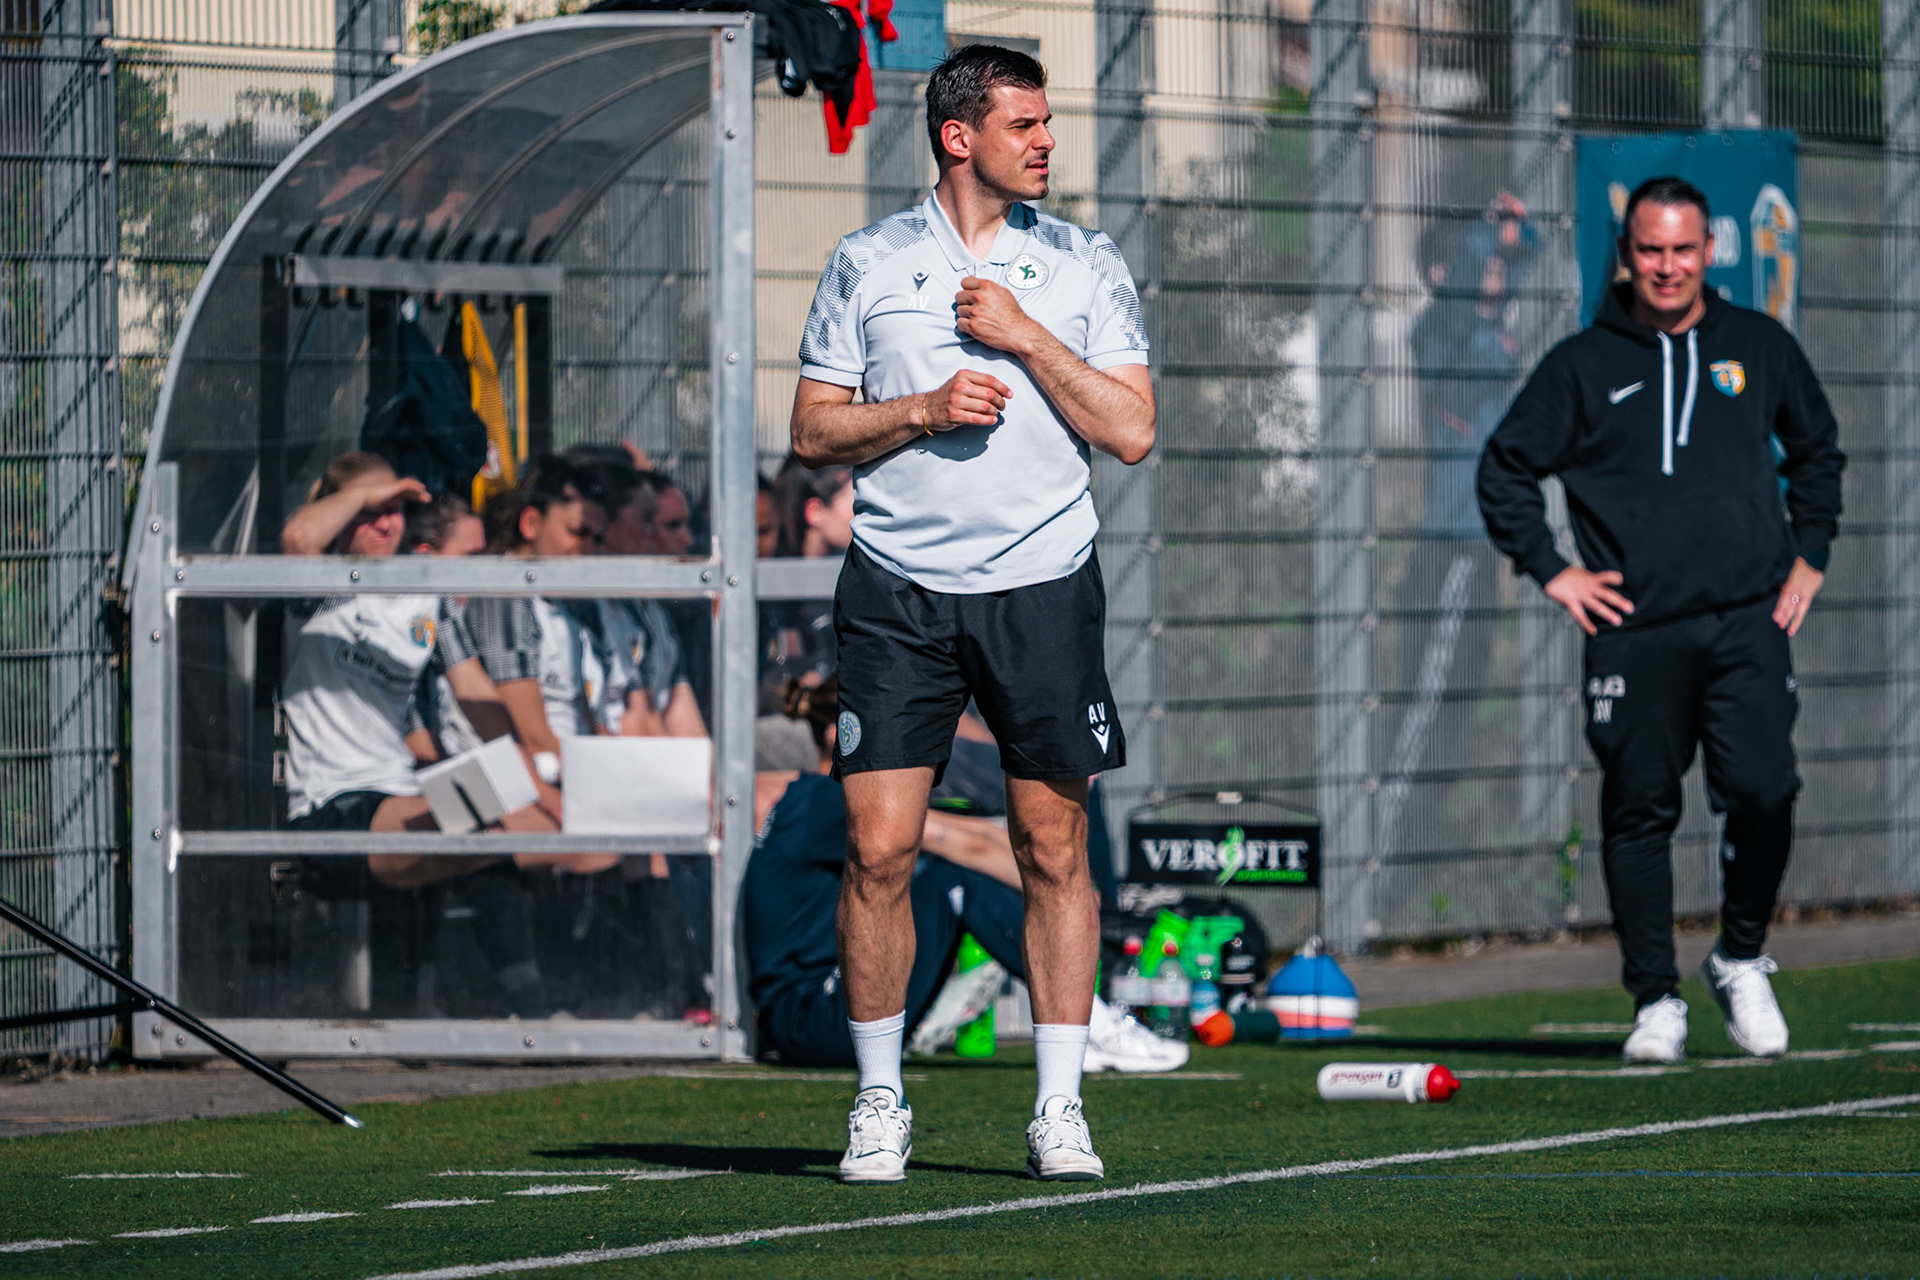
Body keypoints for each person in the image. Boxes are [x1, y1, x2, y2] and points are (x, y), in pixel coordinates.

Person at [790, 43, 1154, 1183]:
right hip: (896, 588)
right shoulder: (867, 261)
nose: (1047, 141)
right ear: (959, 136)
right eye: (1025, 124)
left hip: (1042, 582)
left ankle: (1058, 1109)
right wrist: (923, 407)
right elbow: (812, 433)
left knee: (1053, 844)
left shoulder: (1085, 263)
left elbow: (1132, 429)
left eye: (1048, 123)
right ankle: (881, 1098)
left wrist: (1026, 338)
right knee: (877, 845)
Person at [1477, 176, 1845, 1064]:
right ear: (1627, 253)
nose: (1668, 266)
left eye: (1683, 249)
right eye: (1651, 249)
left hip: (1748, 617)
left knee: (1764, 790)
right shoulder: (1582, 364)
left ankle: (1742, 956)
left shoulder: (1756, 344)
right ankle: (1655, 1001)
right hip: (1633, 631)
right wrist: (1556, 572)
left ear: (1708, 251)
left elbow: (1818, 450)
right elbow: (1506, 470)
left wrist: (1810, 555)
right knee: (1639, 808)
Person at [744, 677, 1184, 1075]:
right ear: (837, 735)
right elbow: (965, 845)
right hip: (812, 1021)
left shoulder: (811, 800)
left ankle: (1075, 1022)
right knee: (955, 883)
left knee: (942, 878)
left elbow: (966, 837)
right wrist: (1067, 893)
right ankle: (1089, 1024)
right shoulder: (824, 802)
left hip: (816, 1013)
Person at [277, 454, 549, 890]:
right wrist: (364, 493)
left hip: (406, 790)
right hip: (332, 803)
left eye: (394, 511)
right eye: (369, 514)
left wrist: (531, 780)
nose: (386, 525)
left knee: (553, 833)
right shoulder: (320, 587)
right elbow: (299, 536)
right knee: (483, 837)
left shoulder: (423, 593)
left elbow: (474, 688)